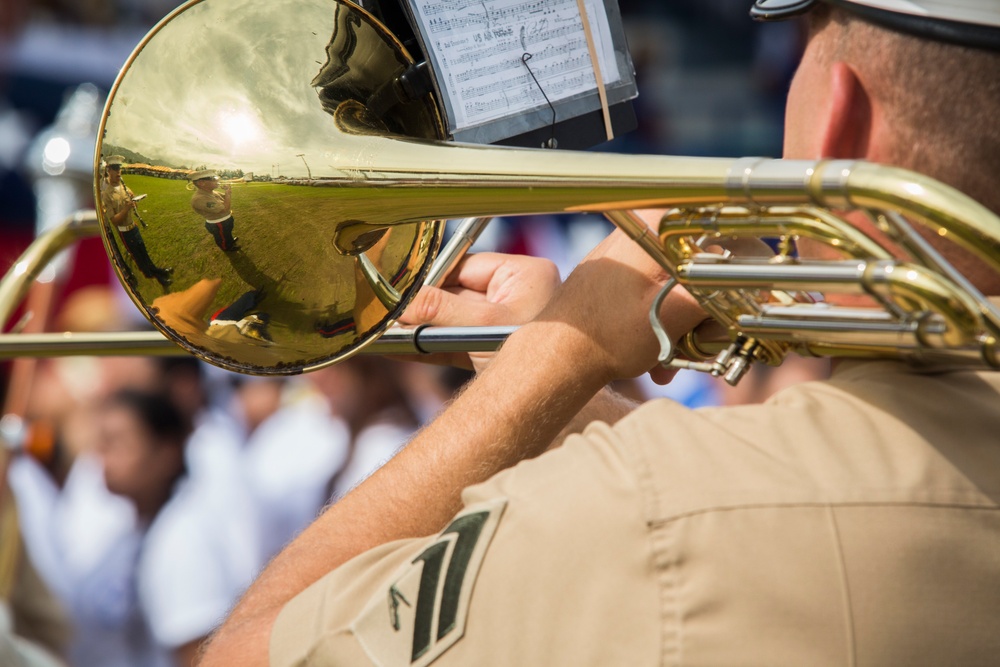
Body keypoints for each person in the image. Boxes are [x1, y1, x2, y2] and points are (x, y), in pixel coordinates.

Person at [200, 2, 1000, 665]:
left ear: (839, 120)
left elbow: (239, 653)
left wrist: (551, 359)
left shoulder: (649, 505)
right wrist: (561, 390)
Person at [101, 155, 173, 290]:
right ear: (108, 170)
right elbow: (115, 220)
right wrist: (127, 208)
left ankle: (158, 271)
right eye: (115, 169)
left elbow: (131, 206)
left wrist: (133, 204)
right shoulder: (107, 195)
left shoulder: (124, 187)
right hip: (125, 232)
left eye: (119, 168)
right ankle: (159, 276)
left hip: (133, 227)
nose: (118, 172)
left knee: (144, 252)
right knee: (140, 259)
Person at [189, 170, 240, 252]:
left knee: (227, 233)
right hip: (218, 224)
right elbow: (224, 208)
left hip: (225, 220)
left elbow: (226, 198)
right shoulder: (199, 198)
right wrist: (227, 193)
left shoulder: (211, 192)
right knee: (222, 237)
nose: (217, 180)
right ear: (201, 183)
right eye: (214, 178)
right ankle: (226, 247)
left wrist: (227, 192)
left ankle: (230, 241)